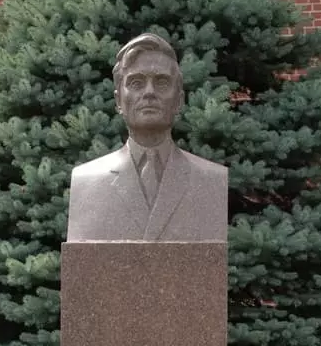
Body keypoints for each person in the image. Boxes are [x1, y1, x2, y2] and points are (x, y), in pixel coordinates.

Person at [66, 33, 227, 241]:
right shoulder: (86, 182)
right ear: (118, 101)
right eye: (136, 83)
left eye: (161, 82)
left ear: (178, 100)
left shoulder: (211, 180)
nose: (149, 92)